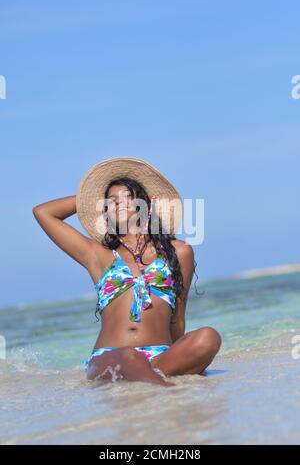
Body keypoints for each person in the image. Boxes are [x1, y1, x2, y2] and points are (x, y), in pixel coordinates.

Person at [32, 157, 221, 387]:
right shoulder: (98, 255)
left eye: (127, 197)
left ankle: (150, 377)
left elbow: (178, 317)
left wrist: (183, 355)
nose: (119, 203)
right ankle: (166, 390)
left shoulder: (179, 252)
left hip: (160, 356)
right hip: (110, 357)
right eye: (111, 201)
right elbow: (43, 212)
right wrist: (94, 199)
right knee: (130, 356)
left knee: (208, 337)